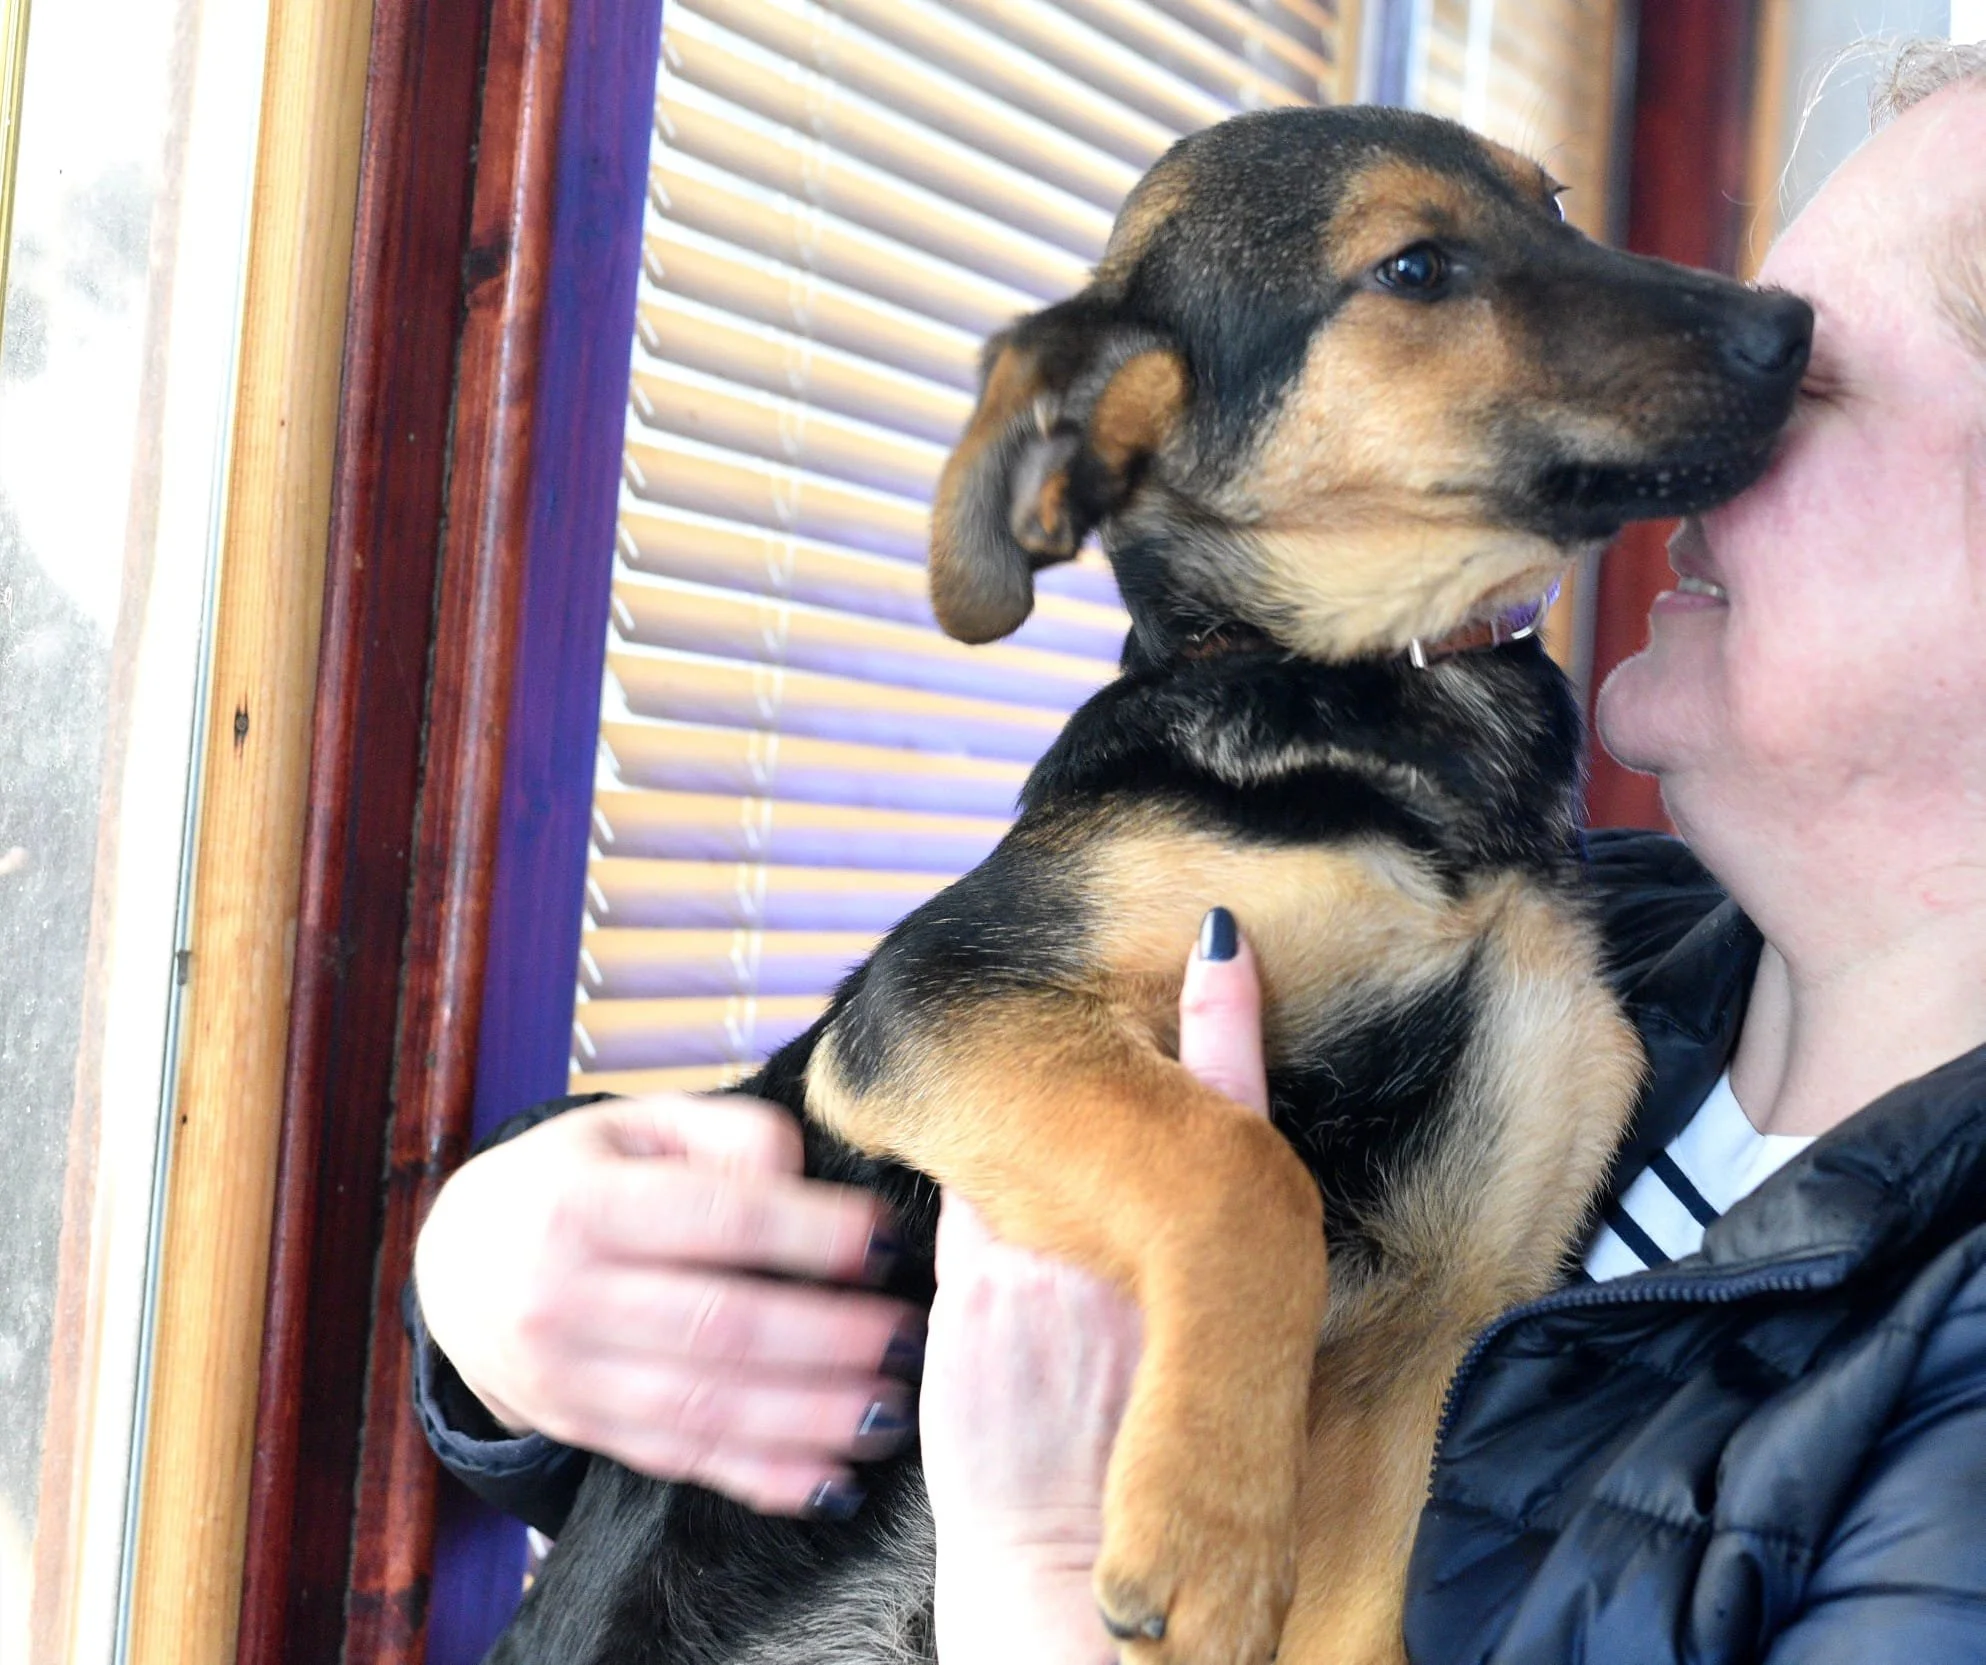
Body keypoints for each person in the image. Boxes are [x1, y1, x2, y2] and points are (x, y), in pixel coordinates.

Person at [410, 41, 1986, 1662]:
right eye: (1427, 269)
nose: (1720, 360)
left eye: (1816, 376)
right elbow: (894, 1097)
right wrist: (500, 1286)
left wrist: (1036, 1569)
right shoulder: (1623, 950)